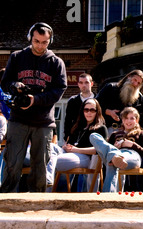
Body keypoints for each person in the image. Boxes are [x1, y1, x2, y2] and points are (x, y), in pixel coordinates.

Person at [0, 22, 67, 192]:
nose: (40, 46)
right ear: (31, 38)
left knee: (40, 167)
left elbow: (59, 90)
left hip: (43, 121)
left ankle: (37, 204)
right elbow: (5, 82)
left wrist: (35, 99)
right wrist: (15, 85)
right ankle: (6, 202)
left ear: (50, 41)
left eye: (44, 42)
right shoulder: (17, 57)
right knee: (12, 163)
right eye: (36, 41)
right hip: (18, 118)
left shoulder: (56, 63)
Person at [89, 107, 143, 192]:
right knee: (94, 136)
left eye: (132, 118)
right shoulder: (115, 134)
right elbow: (106, 149)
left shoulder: (142, 133)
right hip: (117, 153)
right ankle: (115, 156)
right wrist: (115, 148)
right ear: (122, 120)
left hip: (132, 155)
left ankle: (107, 195)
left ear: (137, 120)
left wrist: (133, 145)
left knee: (112, 159)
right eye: (126, 118)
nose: (128, 121)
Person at [53, 98, 107, 191]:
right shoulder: (77, 126)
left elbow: (97, 150)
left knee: (56, 161)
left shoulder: (101, 128)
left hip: (86, 158)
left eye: (92, 110)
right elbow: (70, 143)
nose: (89, 113)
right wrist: (66, 147)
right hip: (71, 154)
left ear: (97, 112)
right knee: (51, 148)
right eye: (86, 110)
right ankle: (48, 189)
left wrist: (75, 149)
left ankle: (56, 191)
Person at [95, 69, 143, 135]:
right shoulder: (110, 87)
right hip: (107, 129)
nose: (135, 84)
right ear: (129, 76)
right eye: (135, 80)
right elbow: (94, 105)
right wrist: (108, 112)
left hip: (128, 132)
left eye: (138, 83)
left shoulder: (138, 97)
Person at [64, 73, 96, 141]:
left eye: (86, 82)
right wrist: (66, 137)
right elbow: (68, 121)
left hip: (94, 134)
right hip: (76, 136)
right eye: (81, 83)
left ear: (92, 84)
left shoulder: (98, 99)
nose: (83, 85)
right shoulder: (73, 101)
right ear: (78, 84)